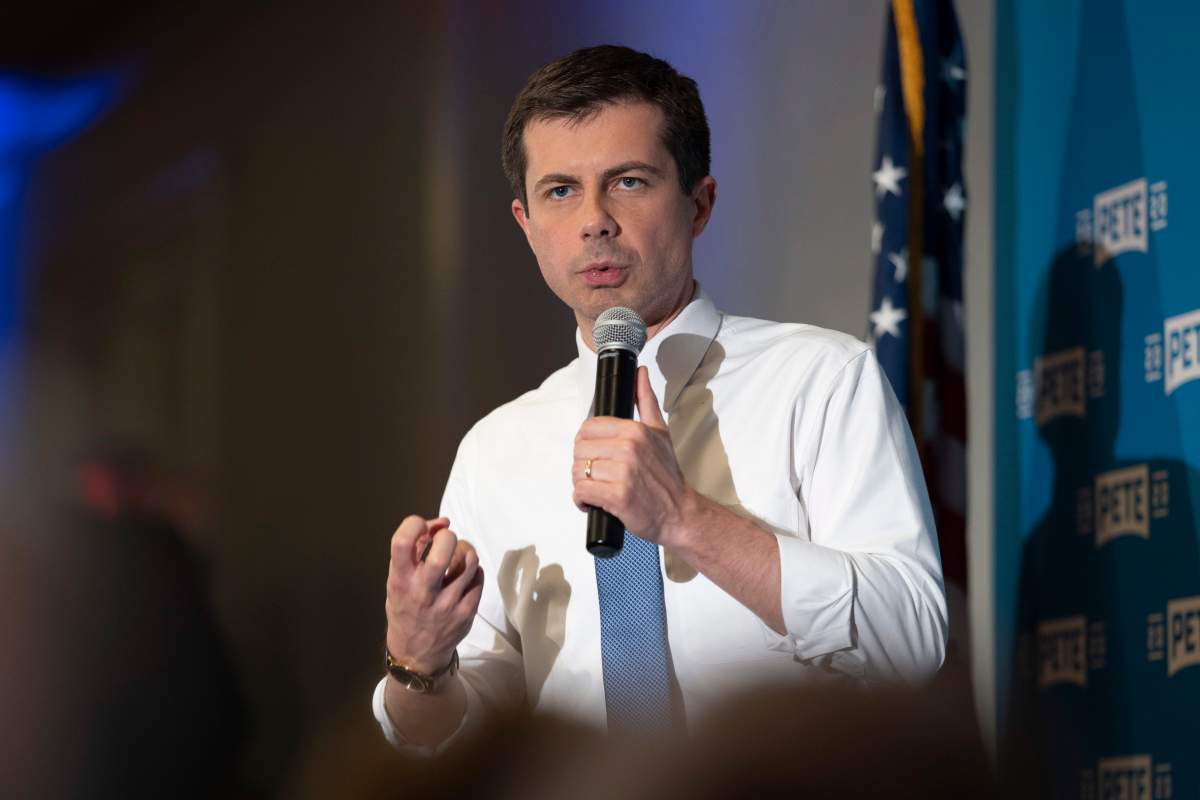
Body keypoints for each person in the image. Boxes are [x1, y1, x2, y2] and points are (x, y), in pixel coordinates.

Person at [374, 44, 947, 751]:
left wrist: (684, 519)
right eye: (561, 191)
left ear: (699, 203)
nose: (594, 221)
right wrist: (419, 664)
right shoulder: (496, 447)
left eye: (629, 182)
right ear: (526, 225)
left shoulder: (821, 378)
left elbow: (913, 641)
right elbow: (451, 745)